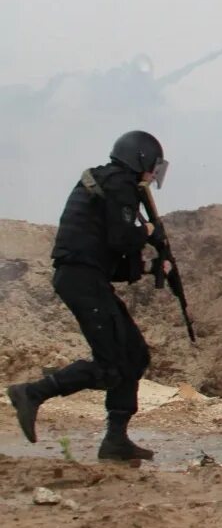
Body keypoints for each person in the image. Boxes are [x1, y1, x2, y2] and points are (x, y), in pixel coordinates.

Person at [7, 131, 173, 462]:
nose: (153, 175)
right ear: (139, 159)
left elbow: (111, 254)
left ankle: (116, 440)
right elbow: (121, 238)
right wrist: (149, 233)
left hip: (87, 277)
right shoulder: (119, 185)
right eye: (152, 166)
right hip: (81, 279)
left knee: (135, 354)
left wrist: (154, 266)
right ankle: (32, 393)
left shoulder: (110, 184)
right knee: (111, 365)